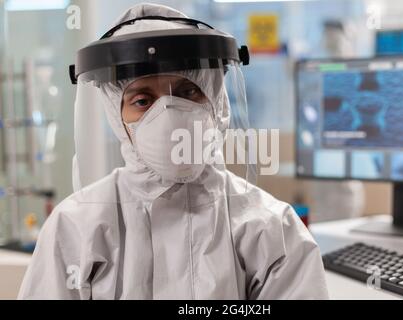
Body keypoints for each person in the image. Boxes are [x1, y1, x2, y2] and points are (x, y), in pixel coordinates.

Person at [18, 3, 329, 300]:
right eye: (142, 100)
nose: (167, 115)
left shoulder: (272, 229)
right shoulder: (75, 227)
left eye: (187, 92)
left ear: (216, 102)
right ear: (117, 114)